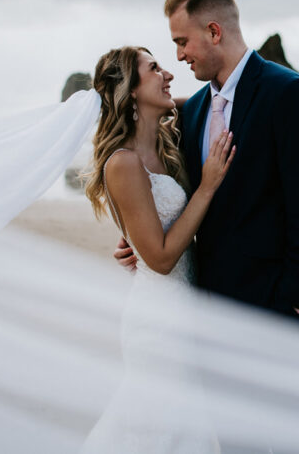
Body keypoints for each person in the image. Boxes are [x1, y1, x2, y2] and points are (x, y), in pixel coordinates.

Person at [117, 0, 299, 326]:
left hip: (278, 309)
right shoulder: (194, 111)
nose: (178, 55)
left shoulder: (290, 94)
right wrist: (139, 239)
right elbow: (184, 196)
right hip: (208, 310)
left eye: (182, 41)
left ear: (214, 32)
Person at [80, 46, 236, 454]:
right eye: (154, 69)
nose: (168, 73)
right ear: (131, 91)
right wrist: (207, 185)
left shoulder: (168, 141)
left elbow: (216, 100)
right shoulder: (122, 163)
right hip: (159, 325)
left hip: (188, 315)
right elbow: (162, 259)